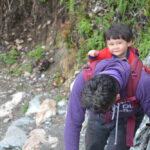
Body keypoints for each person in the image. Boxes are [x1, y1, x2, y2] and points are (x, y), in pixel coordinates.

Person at [64, 58, 150, 150]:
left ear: (117, 97)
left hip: (127, 118)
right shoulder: (83, 79)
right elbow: (73, 120)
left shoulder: (142, 83)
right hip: (97, 116)